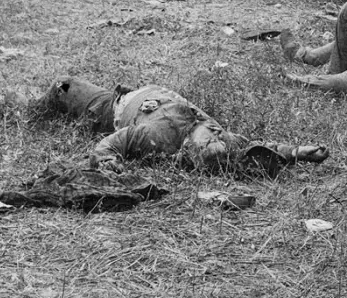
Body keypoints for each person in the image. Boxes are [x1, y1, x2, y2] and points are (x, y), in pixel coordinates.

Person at [0, 76, 329, 212]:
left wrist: (108, 163)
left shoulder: (156, 139)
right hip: (141, 91)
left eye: (211, 140)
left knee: (63, 87)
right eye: (216, 136)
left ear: (190, 152)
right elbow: (254, 145)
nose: (214, 133)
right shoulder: (218, 137)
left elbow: (106, 146)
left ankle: (13, 102)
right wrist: (295, 152)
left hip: (109, 108)